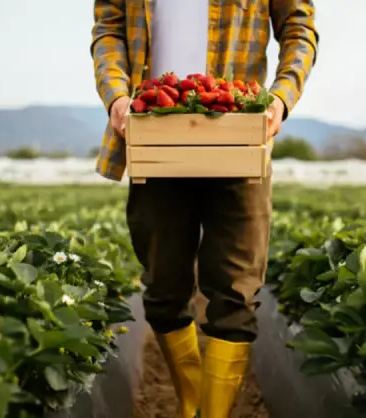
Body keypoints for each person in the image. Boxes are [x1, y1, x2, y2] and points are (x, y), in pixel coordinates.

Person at [90, 1, 318, 416]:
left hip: (238, 130)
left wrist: (281, 99)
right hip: (154, 127)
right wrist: (116, 97)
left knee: (237, 291)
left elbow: (299, 29)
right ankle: (192, 405)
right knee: (162, 288)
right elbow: (109, 30)